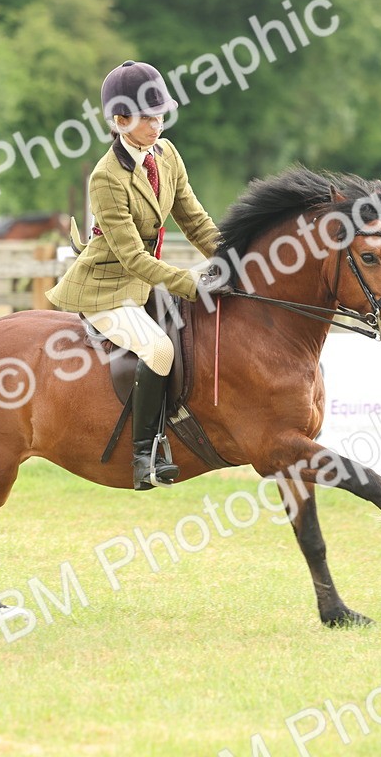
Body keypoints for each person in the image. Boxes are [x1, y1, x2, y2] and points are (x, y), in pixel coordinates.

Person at [45, 60, 229, 490]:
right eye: (146, 117)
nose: (156, 124)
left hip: (146, 281)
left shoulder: (167, 155)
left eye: (160, 114)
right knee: (160, 350)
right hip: (108, 287)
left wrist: (233, 260)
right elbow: (131, 258)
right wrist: (192, 283)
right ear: (119, 120)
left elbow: (196, 221)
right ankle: (144, 456)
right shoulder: (105, 177)